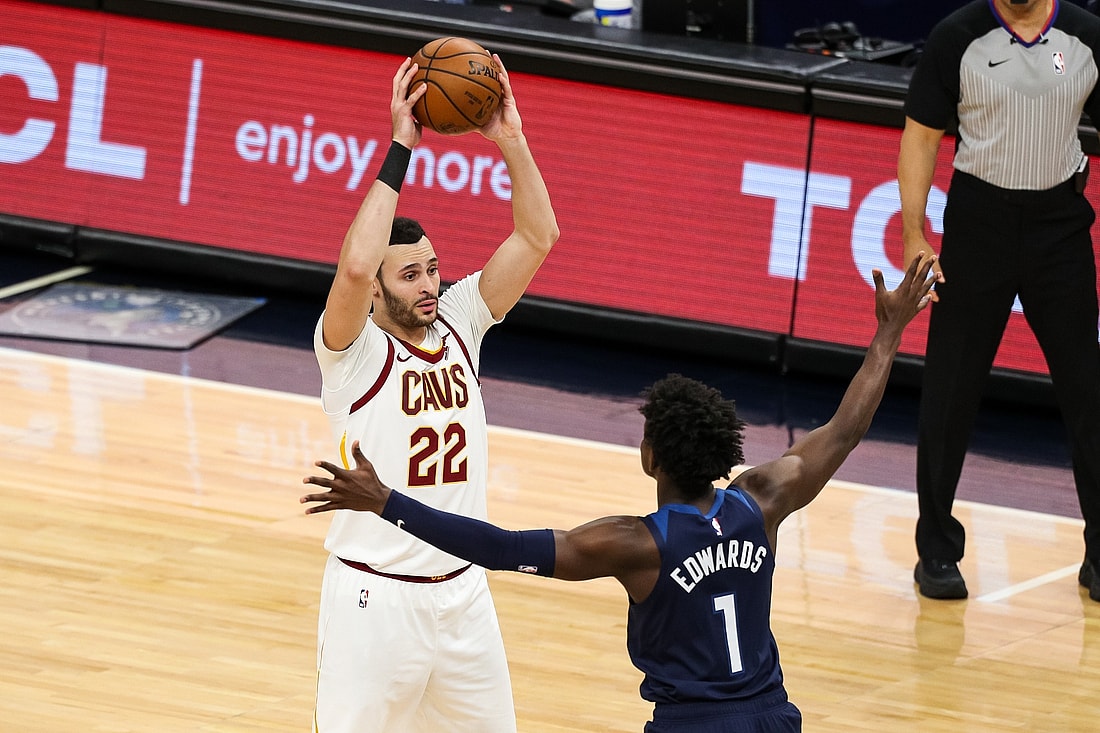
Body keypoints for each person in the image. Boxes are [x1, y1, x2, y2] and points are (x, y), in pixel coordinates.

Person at [301, 254, 939, 732]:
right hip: (773, 716)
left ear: (651, 457)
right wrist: (888, 335)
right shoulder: (761, 500)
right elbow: (845, 430)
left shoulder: (636, 545)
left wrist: (388, 502)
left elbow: (495, 548)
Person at [307, 52, 558, 733]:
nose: (427, 284)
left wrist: (511, 139)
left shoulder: (462, 318)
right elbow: (356, 264)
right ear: (382, 289)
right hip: (374, 600)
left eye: (433, 269)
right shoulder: (352, 353)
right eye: (410, 274)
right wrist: (402, 143)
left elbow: (539, 236)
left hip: (464, 597)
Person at [898, 0, 1100, 601]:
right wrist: (914, 234)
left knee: (1088, 393)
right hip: (978, 223)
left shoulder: (1087, 36)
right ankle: (936, 551)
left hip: (1059, 228)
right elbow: (921, 134)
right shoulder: (957, 36)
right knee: (949, 392)